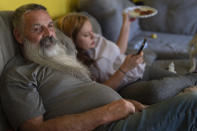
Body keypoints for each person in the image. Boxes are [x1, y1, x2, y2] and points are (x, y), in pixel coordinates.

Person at [1, 3, 197, 131]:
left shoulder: (62, 57)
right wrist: (108, 112)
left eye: (50, 26)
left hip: (124, 114)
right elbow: (34, 129)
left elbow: (92, 91)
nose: (49, 33)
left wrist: (133, 105)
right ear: (19, 36)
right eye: (37, 28)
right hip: (107, 125)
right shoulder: (18, 75)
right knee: (190, 104)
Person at [57, 13, 197, 104]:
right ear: (72, 40)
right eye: (86, 35)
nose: (94, 36)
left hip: (139, 69)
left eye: (92, 31)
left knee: (176, 79)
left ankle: (191, 82)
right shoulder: (78, 66)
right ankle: (192, 81)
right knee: (158, 91)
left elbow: (118, 51)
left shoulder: (96, 41)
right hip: (124, 87)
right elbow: (101, 91)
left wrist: (126, 23)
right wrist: (124, 68)